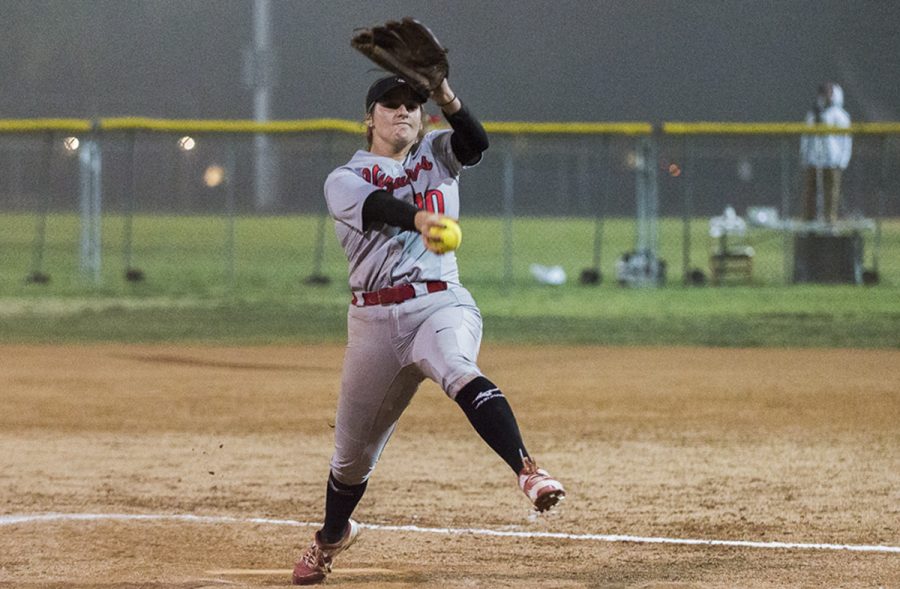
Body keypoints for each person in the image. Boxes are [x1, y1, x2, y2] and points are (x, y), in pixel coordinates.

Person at [290, 74, 566, 585]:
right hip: (372, 322)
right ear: (369, 117)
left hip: (440, 304)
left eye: (412, 105)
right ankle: (331, 536)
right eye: (390, 105)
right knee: (351, 459)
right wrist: (418, 219)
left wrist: (445, 93)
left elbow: (476, 142)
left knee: (459, 369)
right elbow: (377, 208)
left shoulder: (438, 153)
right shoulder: (345, 177)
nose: (403, 112)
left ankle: (528, 470)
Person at [799, 82, 852, 223]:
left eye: (828, 93)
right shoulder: (813, 114)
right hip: (813, 160)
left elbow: (846, 141)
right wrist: (804, 156)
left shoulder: (840, 116)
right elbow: (806, 137)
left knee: (831, 193)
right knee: (810, 192)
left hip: (832, 160)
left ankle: (830, 221)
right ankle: (808, 221)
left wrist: (843, 159)